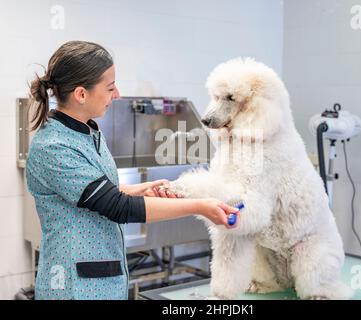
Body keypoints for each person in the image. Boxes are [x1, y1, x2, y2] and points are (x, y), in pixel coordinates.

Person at [26, 40, 239, 300]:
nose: (117, 95)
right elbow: (117, 207)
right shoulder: (54, 147)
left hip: (101, 281)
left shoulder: (89, 131)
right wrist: (199, 206)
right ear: (81, 94)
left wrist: (137, 190)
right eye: (110, 87)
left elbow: (88, 194)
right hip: (74, 285)